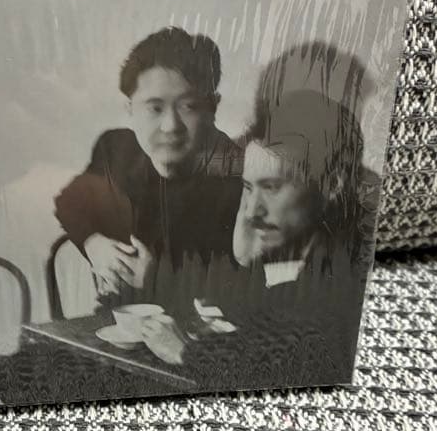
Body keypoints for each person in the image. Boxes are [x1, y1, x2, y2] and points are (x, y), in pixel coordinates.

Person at [139, 87, 372, 389]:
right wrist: (245, 251)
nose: (251, 211)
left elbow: (294, 363)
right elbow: (270, 316)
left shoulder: (352, 262)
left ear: (332, 184)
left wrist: (184, 352)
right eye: (248, 188)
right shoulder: (300, 241)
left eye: (272, 188)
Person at [54, 27, 242, 302]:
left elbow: (245, 288)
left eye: (189, 106)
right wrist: (94, 243)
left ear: (212, 107)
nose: (170, 126)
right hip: (126, 317)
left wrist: (158, 281)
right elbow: (70, 202)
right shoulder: (116, 149)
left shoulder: (238, 173)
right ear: (130, 110)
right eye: (154, 108)